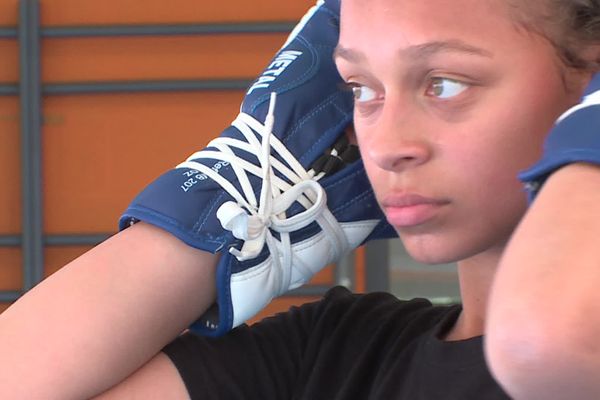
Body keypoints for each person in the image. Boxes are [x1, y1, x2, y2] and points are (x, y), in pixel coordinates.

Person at [2, 1, 600, 399]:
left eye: (443, 85)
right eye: (360, 90)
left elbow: (546, 344)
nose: (386, 145)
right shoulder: (337, 355)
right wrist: (244, 196)